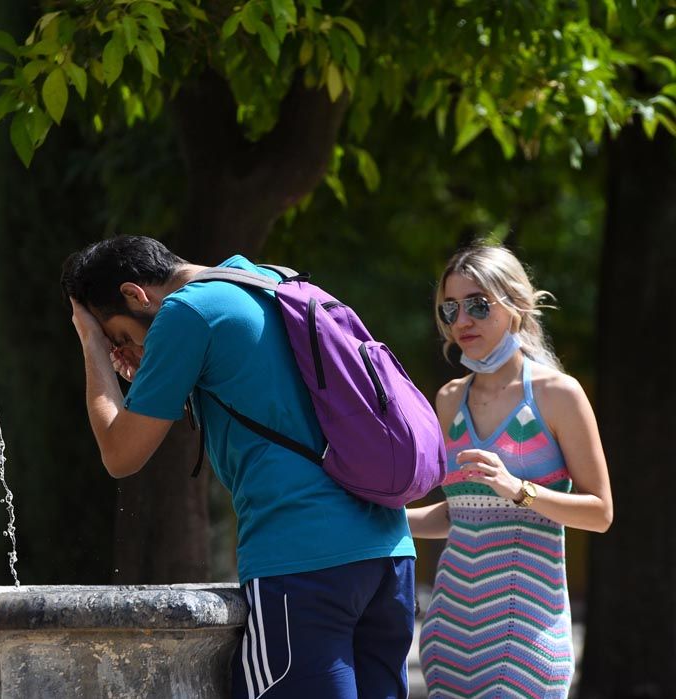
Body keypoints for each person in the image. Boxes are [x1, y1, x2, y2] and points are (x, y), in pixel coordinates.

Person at [62, 235, 416, 698]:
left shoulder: (185, 313)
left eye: (122, 336)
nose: (125, 347)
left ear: (134, 294)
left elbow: (120, 454)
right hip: (389, 554)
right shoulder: (265, 280)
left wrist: (90, 341)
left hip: (304, 562)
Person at [408, 244, 613, 697]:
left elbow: (600, 513)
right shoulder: (448, 399)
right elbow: (457, 514)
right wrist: (381, 517)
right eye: (451, 308)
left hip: (527, 644)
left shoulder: (559, 394)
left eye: (479, 305)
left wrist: (519, 489)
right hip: (448, 638)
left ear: (516, 306)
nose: (463, 320)